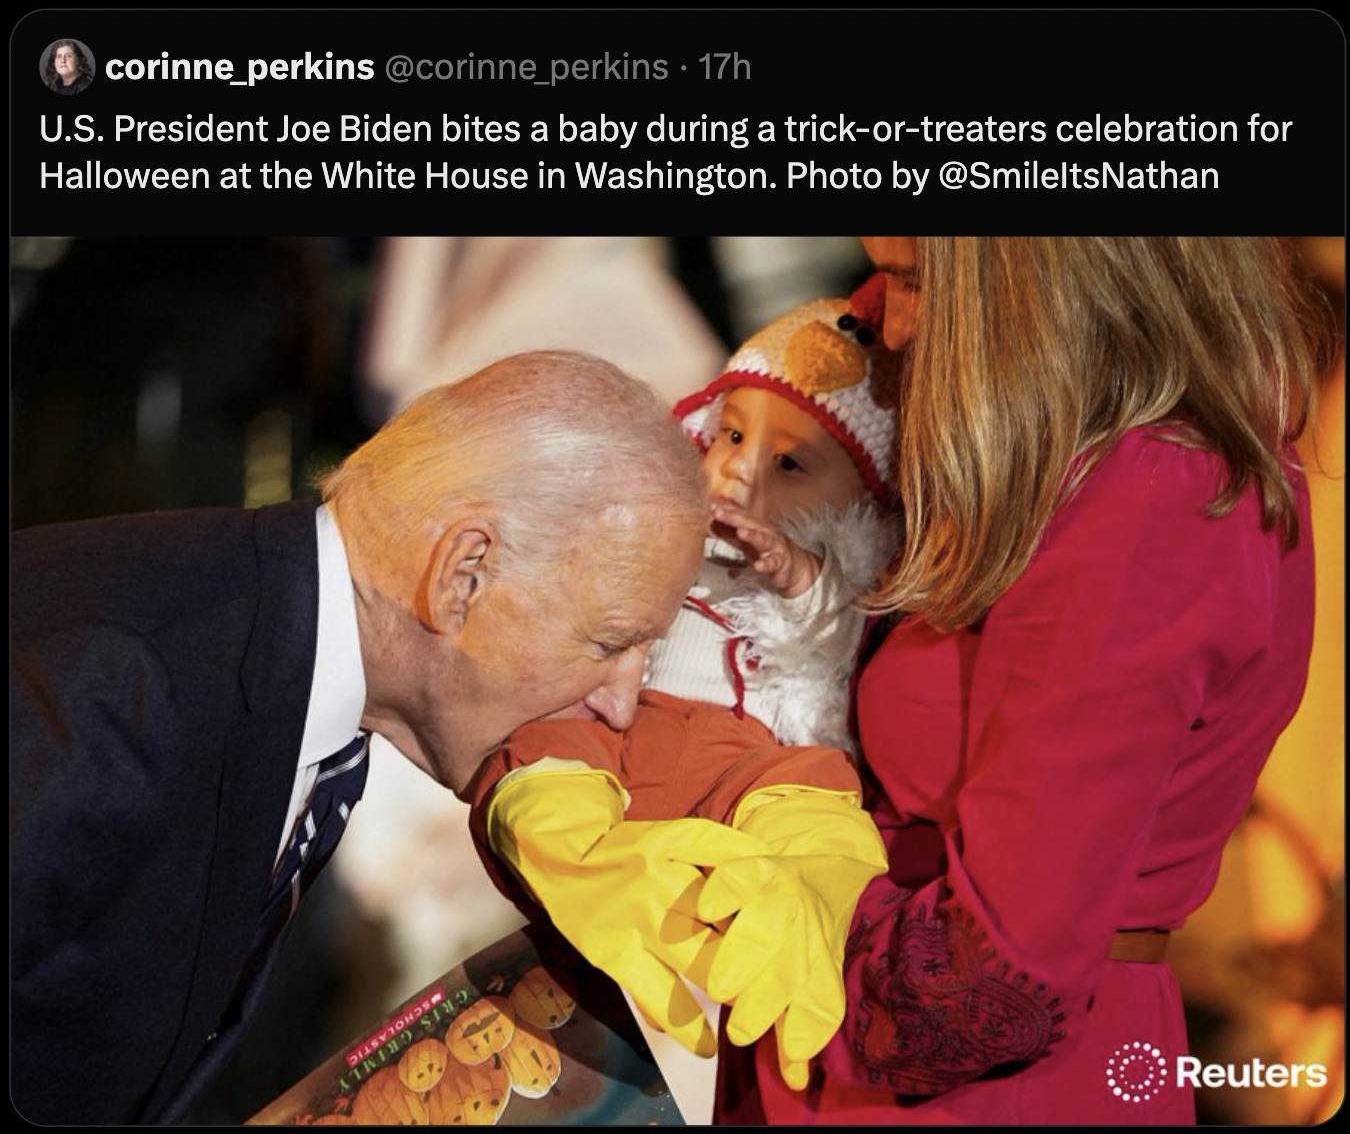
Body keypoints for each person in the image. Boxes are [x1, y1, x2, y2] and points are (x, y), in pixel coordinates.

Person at [10, 349, 744, 1127]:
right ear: (463, 577)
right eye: (608, 644)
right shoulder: (108, 683)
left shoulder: (294, 678)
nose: (620, 704)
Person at [713, 237, 1330, 1126]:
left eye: (917, 284)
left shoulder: (1154, 495)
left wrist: (724, 920)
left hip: (983, 1091)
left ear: (1043, 279)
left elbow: (995, 982)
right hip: (853, 1045)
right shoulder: (1043, 449)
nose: (884, 322)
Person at [466, 278, 901, 1078]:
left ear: (864, 504)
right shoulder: (673, 536)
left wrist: (800, 575)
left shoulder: (845, 582)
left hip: (745, 768)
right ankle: (591, 865)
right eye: (731, 436)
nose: (736, 474)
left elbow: (839, 653)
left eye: (790, 464)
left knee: (821, 804)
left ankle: (795, 909)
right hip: (623, 730)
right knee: (543, 760)